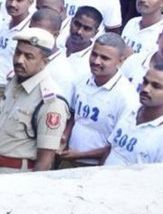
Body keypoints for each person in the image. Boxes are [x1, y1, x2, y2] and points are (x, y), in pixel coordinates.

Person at [0, 27, 70, 173]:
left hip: (15, 175)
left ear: (44, 62)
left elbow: (45, 160)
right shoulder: (15, 80)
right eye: (17, 53)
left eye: (28, 56)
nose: (19, 60)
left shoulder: (51, 101)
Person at [55, 32, 135, 166]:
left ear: (120, 61)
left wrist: (80, 155)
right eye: (94, 54)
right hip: (68, 157)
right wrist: (65, 137)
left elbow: (116, 146)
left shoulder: (127, 97)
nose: (96, 61)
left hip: (95, 166)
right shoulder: (82, 78)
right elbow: (74, 114)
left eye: (105, 58)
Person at [104, 61, 163, 166]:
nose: (146, 89)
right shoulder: (131, 110)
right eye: (145, 82)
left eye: (156, 86)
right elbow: (111, 149)